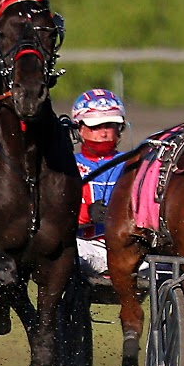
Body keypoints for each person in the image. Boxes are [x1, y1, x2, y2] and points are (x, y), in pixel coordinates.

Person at [71, 88, 128, 279]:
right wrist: (86, 215)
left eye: (110, 125)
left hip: (129, 248)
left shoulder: (134, 163)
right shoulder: (67, 165)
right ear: (79, 128)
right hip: (84, 246)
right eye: (96, 126)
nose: (104, 133)